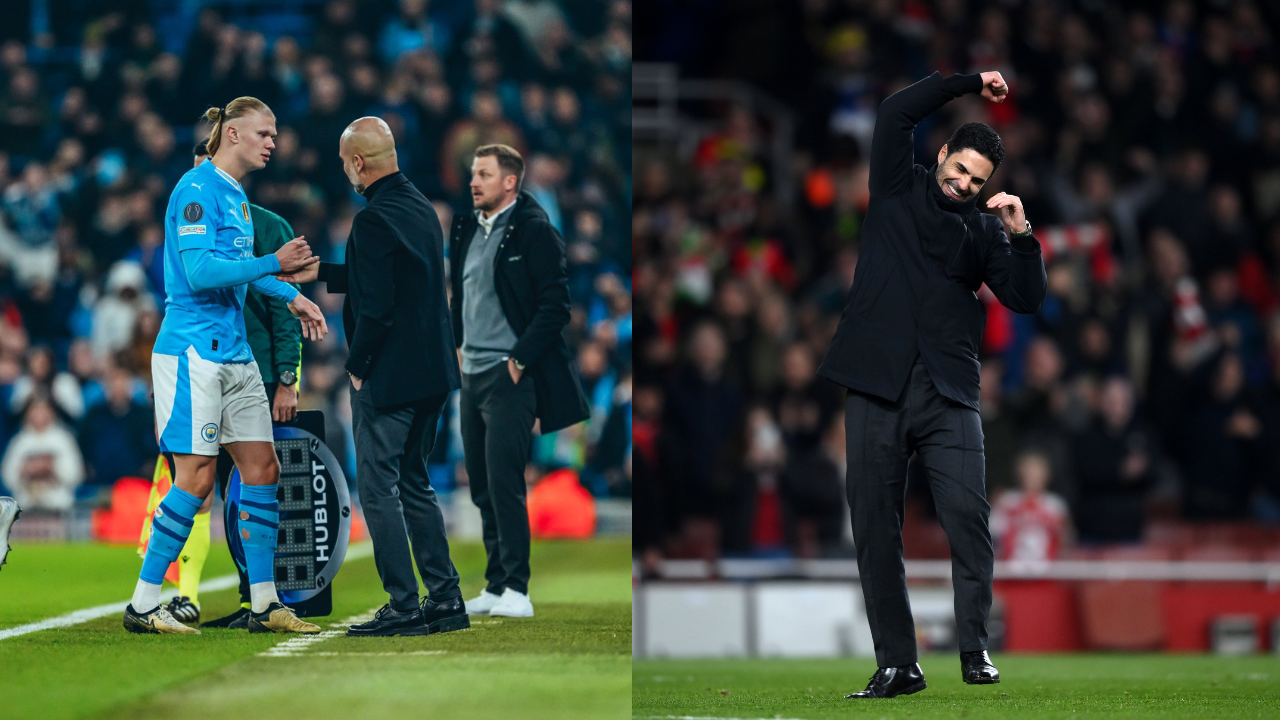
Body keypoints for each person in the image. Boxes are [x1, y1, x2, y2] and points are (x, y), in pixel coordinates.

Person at [816, 71, 1047, 697]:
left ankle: (974, 648)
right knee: (873, 526)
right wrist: (968, 82)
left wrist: (1022, 236)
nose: (964, 184)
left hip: (948, 392)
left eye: (977, 180)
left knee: (969, 516)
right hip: (875, 383)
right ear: (941, 153)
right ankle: (898, 663)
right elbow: (893, 113)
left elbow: (1025, 298)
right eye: (960, 169)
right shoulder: (896, 186)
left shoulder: (982, 230)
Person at [124, 96, 328, 635]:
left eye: (275, 134)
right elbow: (198, 272)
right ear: (231, 134)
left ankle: (264, 604)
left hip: (235, 352)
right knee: (195, 480)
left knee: (263, 469)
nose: (272, 142)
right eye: (263, 133)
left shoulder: (235, 196)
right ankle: (144, 604)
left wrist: (286, 294)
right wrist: (275, 264)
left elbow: (238, 270)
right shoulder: (194, 190)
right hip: (192, 352)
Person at [277, 117, 468, 637]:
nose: (345, 171)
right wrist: (324, 273)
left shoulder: (372, 220)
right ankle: (446, 598)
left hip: (391, 376)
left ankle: (404, 605)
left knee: (378, 487)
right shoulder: (420, 208)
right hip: (432, 375)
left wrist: (356, 369)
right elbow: (396, 283)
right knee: (414, 481)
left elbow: (379, 308)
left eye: (345, 162)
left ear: (358, 163)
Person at [447, 144, 589, 618]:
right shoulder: (466, 226)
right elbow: (461, 293)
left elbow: (556, 307)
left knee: (506, 481)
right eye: (473, 173)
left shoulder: (534, 232)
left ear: (510, 182)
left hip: (509, 377)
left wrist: (518, 360)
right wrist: (460, 343)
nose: (474, 182)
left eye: (484, 174)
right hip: (472, 374)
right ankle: (495, 583)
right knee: (482, 484)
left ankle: (518, 589)